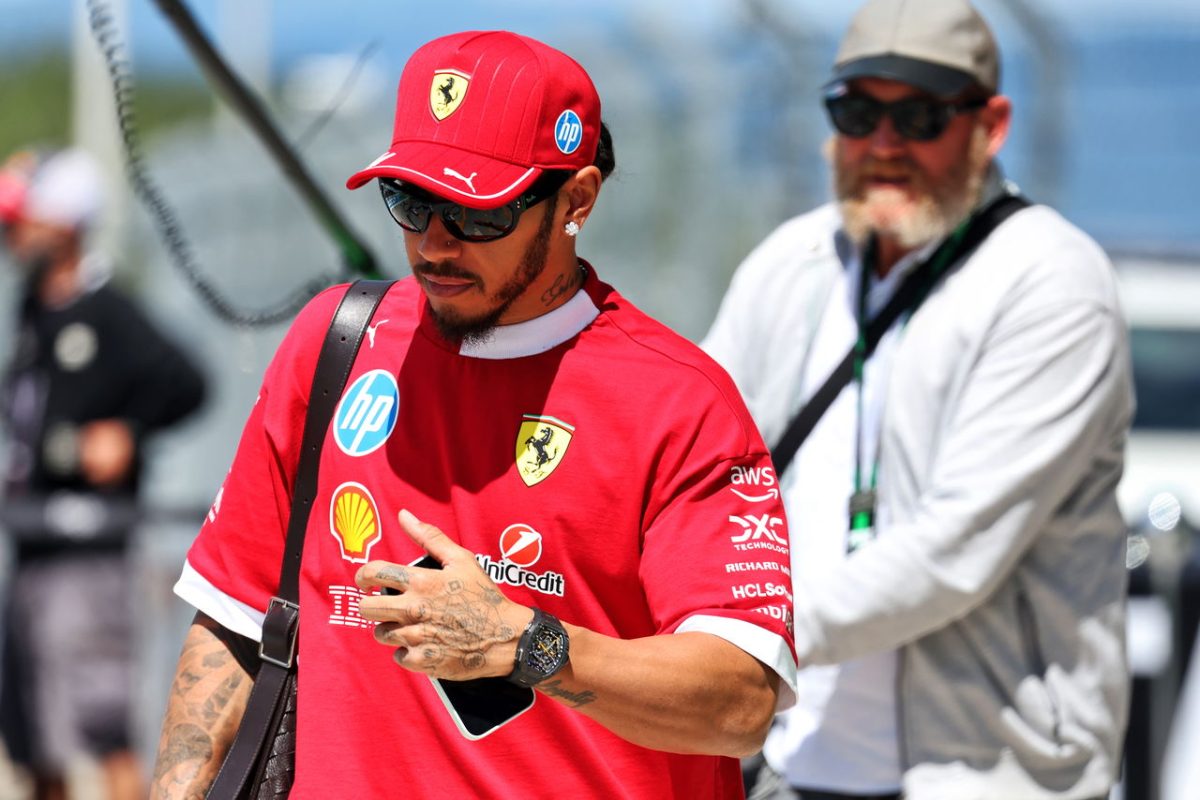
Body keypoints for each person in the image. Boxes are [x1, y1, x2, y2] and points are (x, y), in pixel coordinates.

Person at [151, 30, 798, 800]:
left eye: (474, 213)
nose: (433, 244)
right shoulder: (337, 344)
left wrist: (528, 646)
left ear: (576, 200)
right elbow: (232, 619)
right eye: (410, 201)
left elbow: (740, 704)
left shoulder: (680, 401)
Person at [702, 1, 1133, 798]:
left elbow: (953, 549)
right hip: (784, 759)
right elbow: (696, 468)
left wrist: (731, 637)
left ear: (991, 125)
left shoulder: (1050, 281)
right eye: (858, 113)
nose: (884, 144)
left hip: (986, 774)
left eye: (921, 116)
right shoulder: (793, 261)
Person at [0, 148, 207, 800]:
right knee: (33, 736)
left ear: (64, 224)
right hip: (32, 546)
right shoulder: (33, 307)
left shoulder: (109, 312)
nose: (12, 237)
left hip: (88, 554)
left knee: (100, 729)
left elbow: (188, 383)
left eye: (21, 223)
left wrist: (127, 433)